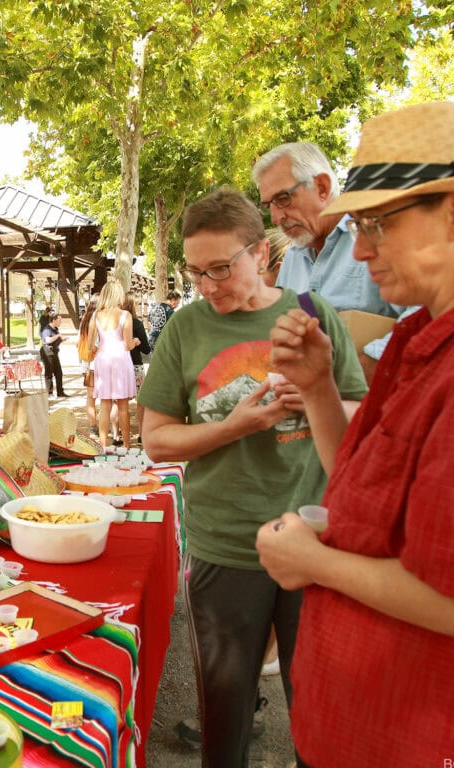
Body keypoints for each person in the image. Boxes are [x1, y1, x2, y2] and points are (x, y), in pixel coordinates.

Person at [256, 101, 454, 768]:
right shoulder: (416, 339)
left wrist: (313, 563)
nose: (361, 247)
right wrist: (316, 385)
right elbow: (360, 477)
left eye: (377, 224)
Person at [138, 189, 366, 767]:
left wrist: (318, 394)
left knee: (319, 707)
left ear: (260, 253)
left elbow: (361, 423)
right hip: (225, 547)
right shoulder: (185, 329)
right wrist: (235, 426)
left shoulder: (313, 315)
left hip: (313, 542)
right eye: (196, 272)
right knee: (225, 708)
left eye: (221, 268)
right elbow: (156, 439)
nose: (208, 285)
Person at [252, 141, 404, 382]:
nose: (276, 217)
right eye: (269, 205)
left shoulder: (376, 236)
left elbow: (428, 314)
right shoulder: (292, 260)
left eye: (283, 199)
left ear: (322, 187)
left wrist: (365, 365)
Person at [91, 281, 137, 449]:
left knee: (105, 405)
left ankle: (102, 446)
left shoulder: (96, 315)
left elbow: (90, 345)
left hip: (102, 359)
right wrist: (136, 341)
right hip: (121, 359)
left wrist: (100, 349)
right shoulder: (125, 315)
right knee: (123, 406)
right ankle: (126, 446)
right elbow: (128, 344)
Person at [122, 293, 151, 442]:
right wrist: (138, 342)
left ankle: (117, 433)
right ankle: (141, 433)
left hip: (120, 366)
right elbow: (146, 349)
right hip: (136, 365)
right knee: (141, 401)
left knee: (120, 402)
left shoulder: (116, 323)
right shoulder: (137, 324)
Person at [77, 297, 100, 436]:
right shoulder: (99, 321)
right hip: (99, 363)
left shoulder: (83, 322)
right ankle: (104, 426)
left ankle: (93, 427)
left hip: (87, 365)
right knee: (106, 398)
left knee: (90, 397)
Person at [38, 310, 68, 398]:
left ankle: (60, 392)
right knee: (49, 372)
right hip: (47, 352)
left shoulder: (56, 329)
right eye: (59, 320)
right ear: (54, 320)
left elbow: (55, 341)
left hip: (54, 352)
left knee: (59, 372)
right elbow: (48, 340)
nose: (61, 322)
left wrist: (62, 340)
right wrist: (58, 336)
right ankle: (49, 393)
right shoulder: (47, 329)